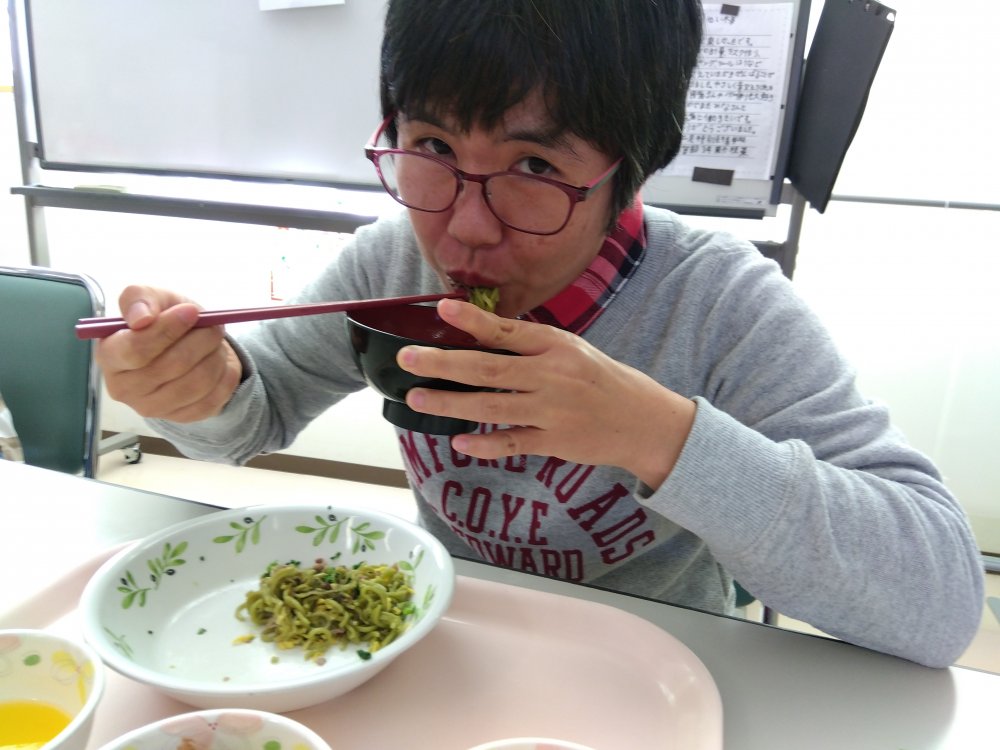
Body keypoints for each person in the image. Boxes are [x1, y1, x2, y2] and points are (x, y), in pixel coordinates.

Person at [95, 0, 983, 668]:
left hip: (661, 666)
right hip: (455, 641)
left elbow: (940, 604)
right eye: (432, 146)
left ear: (632, 168)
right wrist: (195, 389)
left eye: (534, 164)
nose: (465, 230)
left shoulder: (719, 304)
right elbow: (250, 419)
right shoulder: (390, 262)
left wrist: (657, 435)